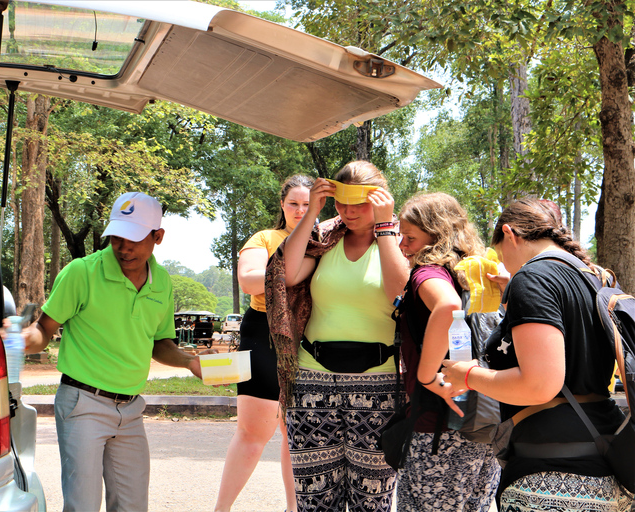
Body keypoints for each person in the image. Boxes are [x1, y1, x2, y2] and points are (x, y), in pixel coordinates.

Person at [442, 197, 634, 511]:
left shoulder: (532, 278)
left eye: (500, 253)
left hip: (553, 471)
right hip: (603, 453)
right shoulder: (592, 276)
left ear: (509, 233)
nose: (502, 262)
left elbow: (539, 384)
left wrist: (466, 375)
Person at [22, 191, 206, 512]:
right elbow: (43, 331)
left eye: (133, 238)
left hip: (131, 411)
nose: (123, 247)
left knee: (133, 505)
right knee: (83, 506)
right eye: (117, 236)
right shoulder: (82, 272)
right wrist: (22, 339)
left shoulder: (162, 282)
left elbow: (160, 344)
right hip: (83, 404)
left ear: (157, 237)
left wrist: (191, 363)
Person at [266, 161, 409, 512]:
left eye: (359, 203)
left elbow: (400, 292)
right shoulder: (325, 238)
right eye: (340, 202)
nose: (347, 211)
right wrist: (312, 211)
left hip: (378, 386)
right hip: (313, 382)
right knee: (315, 502)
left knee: (370, 504)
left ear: (379, 199)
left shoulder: (402, 240)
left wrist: (386, 227)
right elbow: (287, 273)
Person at [394, 192, 500, 511]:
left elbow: (448, 306)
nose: (402, 245)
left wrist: (426, 377)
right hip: (484, 421)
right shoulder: (476, 274)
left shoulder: (428, 273)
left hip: (437, 428)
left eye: (410, 238)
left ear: (436, 235)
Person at [215, 174, 313, 512]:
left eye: (307, 204)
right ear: (282, 205)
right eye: (293, 204)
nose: (300, 211)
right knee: (253, 434)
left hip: (312, 337)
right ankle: (221, 510)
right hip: (264, 334)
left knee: (296, 435)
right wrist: (294, 273)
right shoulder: (266, 237)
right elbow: (248, 280)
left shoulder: (326, 239)